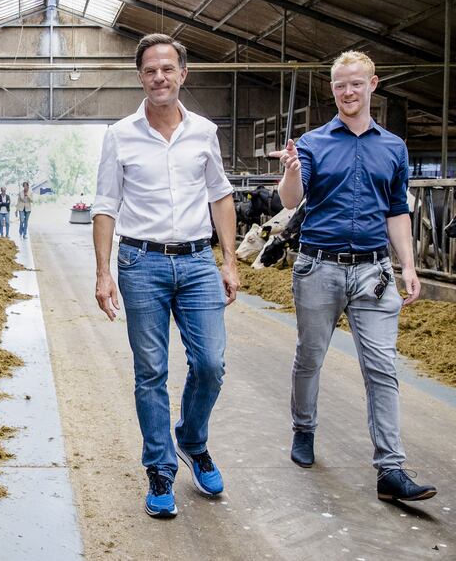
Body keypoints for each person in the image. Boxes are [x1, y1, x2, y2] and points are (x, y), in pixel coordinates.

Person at [270, 51, 437, 502]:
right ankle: (303, 429)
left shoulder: (393, 147)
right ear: (332, 89)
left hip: (374, 271)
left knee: (382, 367)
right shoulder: (313, 143)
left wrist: (408, 265)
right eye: (340, 84)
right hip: (317, 266)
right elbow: (291, 200)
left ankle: (391, 469)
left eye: (356, 84)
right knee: (310, 357)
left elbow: (397, 211)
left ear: (372, 85)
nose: (348, 91)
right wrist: (289, 171)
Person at [92, 33, 239, 519]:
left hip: (198, 261)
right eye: (150, 70)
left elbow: (220, 195)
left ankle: (191, 441)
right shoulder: (120, 134)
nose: (159, 77)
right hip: (140, 263)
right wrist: (103, 272)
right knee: (150, 372)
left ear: (183, 74)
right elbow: (106, 205)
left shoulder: (204, 131)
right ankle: (159, 468)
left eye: (167, 68)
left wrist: (230, 260)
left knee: (211, 364)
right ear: (141, 78)